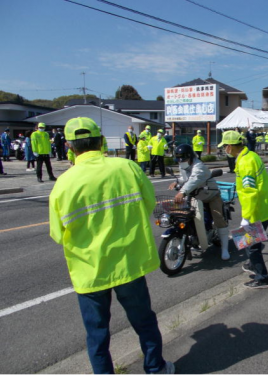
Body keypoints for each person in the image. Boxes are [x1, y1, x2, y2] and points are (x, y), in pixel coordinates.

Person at [49, 117, 174, 375]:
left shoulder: (63, 183)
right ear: (101, 140)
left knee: (97, 334)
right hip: (129, 263)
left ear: (70, 147)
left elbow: (58, 235)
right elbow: (150, 204)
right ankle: (155, 368)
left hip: (90, 271)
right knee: (144, 322)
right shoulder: (127, 168)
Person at [218, 131, 268, 288]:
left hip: (258, 209)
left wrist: (247, 217)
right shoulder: (251, 155)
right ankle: (253, 265)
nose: (224, 149)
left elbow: (250, 191)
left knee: (250, 245)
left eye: (224, 146)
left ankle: (262, 278)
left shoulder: (245, 162)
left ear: (230, 146)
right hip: (266, 205)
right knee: (255, 243)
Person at [169, 144, 230, 260]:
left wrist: (182, 192)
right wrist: (177, 181)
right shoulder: (183, 165)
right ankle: (194, 237)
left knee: (218, 218)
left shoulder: (199, 166)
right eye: (179, 159)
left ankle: (225, 249)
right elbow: (186, 178)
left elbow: (194, 179)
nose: (182, 161)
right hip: (196, 196)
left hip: (210, 196)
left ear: (190, 157)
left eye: (184, 158)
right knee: (187, 216)